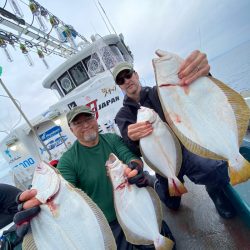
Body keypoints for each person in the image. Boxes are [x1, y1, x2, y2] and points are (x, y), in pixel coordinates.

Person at [15, 105, 175, 250]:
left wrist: (136, 167)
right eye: (78, 123)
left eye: (88, 119)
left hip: (136, 206)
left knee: (162, 242)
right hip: (109, 225)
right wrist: (39, 203)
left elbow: (129, 157)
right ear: (71, 129)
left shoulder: (111, 139)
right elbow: (62, 190)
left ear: (95, 118)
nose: (85, 125)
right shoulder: (68, 160)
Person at [113, 50, 236, 219]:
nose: (127, 81)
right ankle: (155, 183)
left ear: (136, 74)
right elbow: (133, 149)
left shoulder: (160, 91)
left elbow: (189, 90)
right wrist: (131, 138)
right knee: (172, 204)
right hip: (161, 161)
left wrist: (201, 74)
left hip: (185, 149)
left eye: (128, 74)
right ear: (119, 86)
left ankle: (215, 191)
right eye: (121, 80)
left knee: (214, 167)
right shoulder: (122, 116)